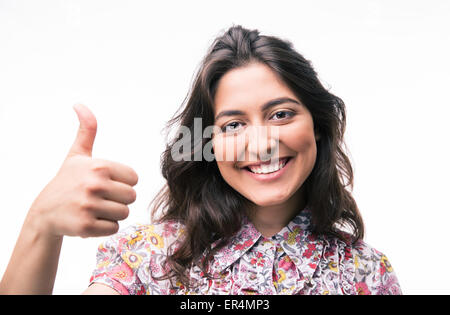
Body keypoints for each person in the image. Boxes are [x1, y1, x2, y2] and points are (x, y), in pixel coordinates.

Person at [0, 25, 401, 295]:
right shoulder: (149, 258)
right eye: (233, 125)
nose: (260, 144)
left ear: (317, 125)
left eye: (280, 114)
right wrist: (41, 226)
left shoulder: (367, 272)